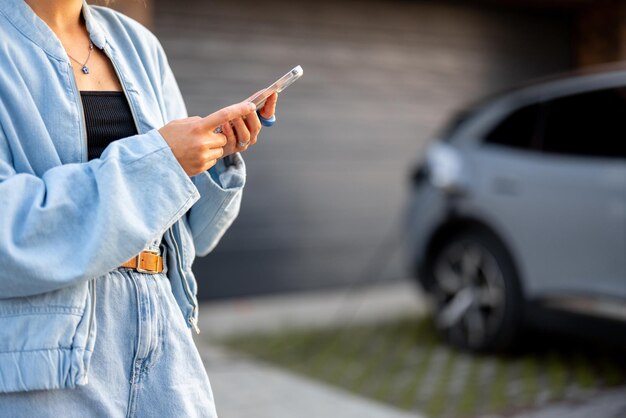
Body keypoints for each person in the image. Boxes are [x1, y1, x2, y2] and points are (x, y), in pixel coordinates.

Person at [0, 0, 278, 416]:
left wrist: (212, 153)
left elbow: (193, 238)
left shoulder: (139, 45)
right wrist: (163, 159)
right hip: (47, 357)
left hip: (164, 341)